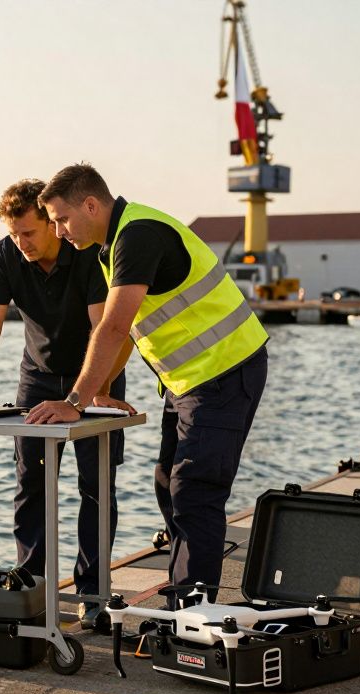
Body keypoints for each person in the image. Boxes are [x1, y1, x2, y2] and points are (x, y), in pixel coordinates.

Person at [33, 163, 269, 607]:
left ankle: (191, 610)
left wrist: (74, 401)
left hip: (224, 371)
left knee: (193, 490)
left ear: (90, 205)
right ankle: (187, 596)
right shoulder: (115, 244)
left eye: (62, 219)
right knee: (168, 483)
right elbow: (131, 329)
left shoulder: (137, 236)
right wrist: (101, 390)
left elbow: (113, 327)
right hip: (189, 381)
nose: (59, 232)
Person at [0, 179, 133, 629]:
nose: (21, 242)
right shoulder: (6, 254)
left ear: (52, 224)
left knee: (97, 487)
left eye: (29, 233)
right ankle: (32, 587)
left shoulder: (86, 252)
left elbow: (105, 329)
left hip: (93, 377)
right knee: (31, 485)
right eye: (14, 233)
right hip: (37, 380)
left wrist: (93, 394)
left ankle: (93, 595)